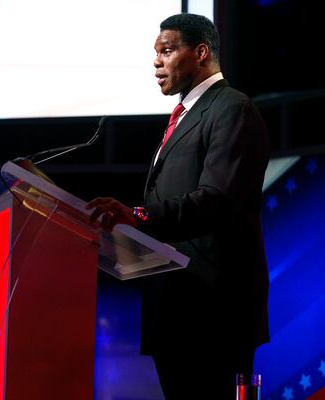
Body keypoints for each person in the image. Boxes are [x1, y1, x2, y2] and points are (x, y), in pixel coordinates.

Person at [87, 13, 270, 399]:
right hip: (175, 307)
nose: (157, 62)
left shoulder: (231, 109)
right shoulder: (185, 117)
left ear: (201, 53)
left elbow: (217, 200)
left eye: (167, 51)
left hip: (213, 311)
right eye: (156, 53)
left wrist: (139, 215)